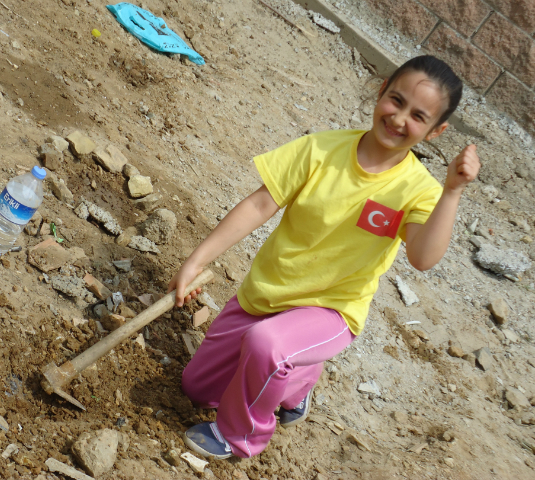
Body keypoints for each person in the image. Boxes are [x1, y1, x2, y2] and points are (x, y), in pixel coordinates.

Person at [167, 55, 480, 460]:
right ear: (381, 89)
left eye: (418, 116)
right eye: (396, 100)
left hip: (330, 309)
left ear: (436, 131)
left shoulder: (418, 191)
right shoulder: (321, 149)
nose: (399, 118)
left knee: (266, 345)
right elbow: (261, 205)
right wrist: (195, 261)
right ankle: (299, 380)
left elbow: (422, 256)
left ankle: (240, 436)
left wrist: (451, 191)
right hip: (267, 293)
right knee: (197, 388)